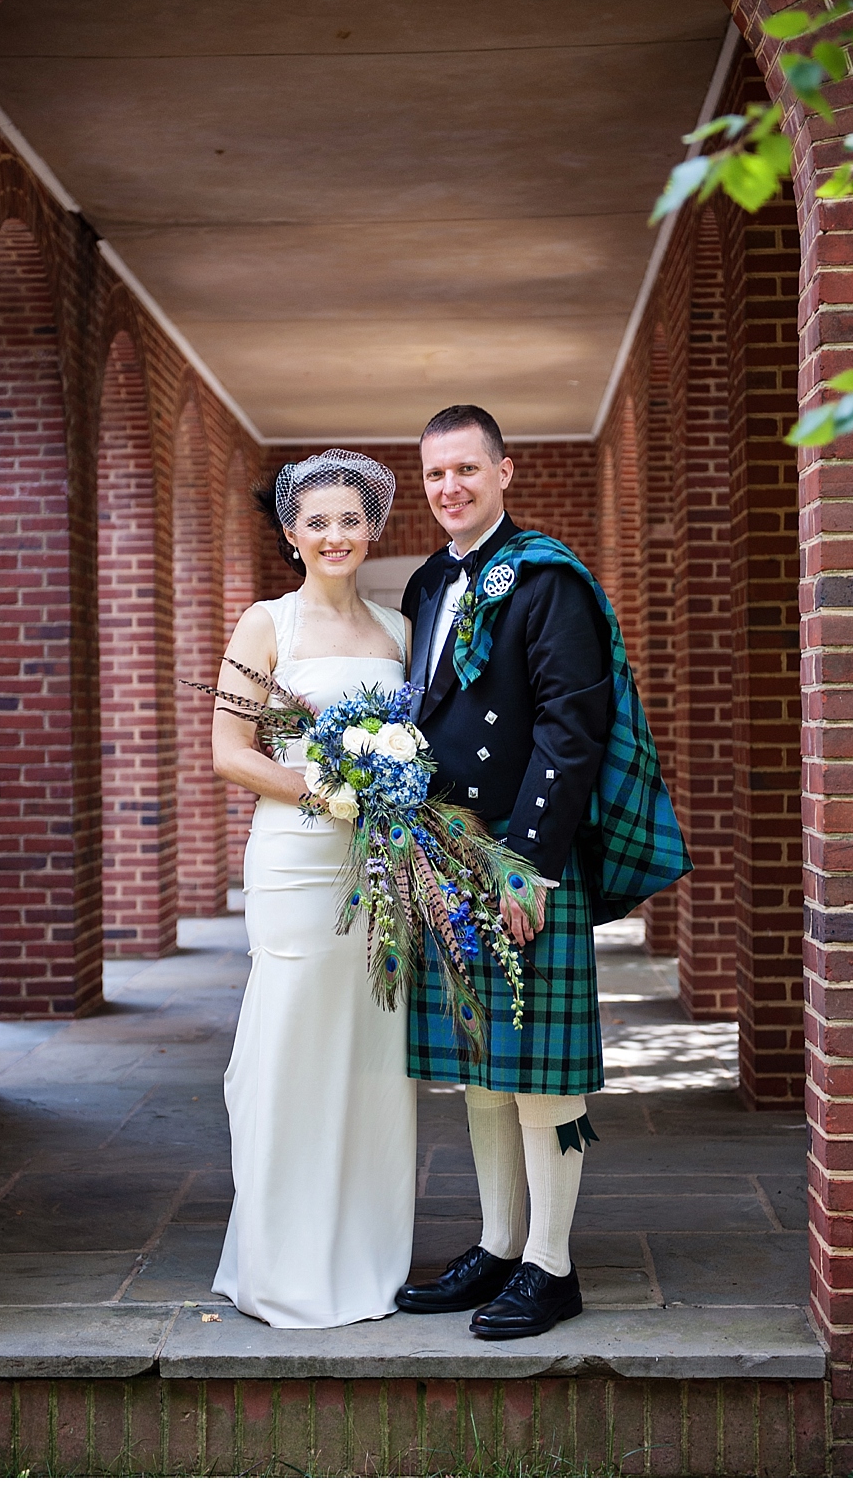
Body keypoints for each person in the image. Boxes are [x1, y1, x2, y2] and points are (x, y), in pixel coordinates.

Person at [396, 405, 689, 1341]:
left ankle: (551, 1264)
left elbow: (571, 725)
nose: (451, 487)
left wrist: (529, 863)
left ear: (505, 472)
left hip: (521, 851)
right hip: (449, 850)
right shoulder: (428, 583)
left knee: (544, 1074)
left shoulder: (547, 578)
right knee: (482, 1067)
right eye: (436, 473)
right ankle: (495, 1242)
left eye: (467, 469)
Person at [210, 449, 417, 1329]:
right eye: (317, 521)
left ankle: (364, 1255)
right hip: (296, 861)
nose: (336, 535)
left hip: (379, 866)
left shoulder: (399, 632)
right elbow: (229, 749)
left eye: (351, 519)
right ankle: (282, 1261)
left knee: (373, 1052)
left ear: (373, 528)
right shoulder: (267, 625)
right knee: (288, 1045)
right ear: (292, 533)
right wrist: (325, 790)